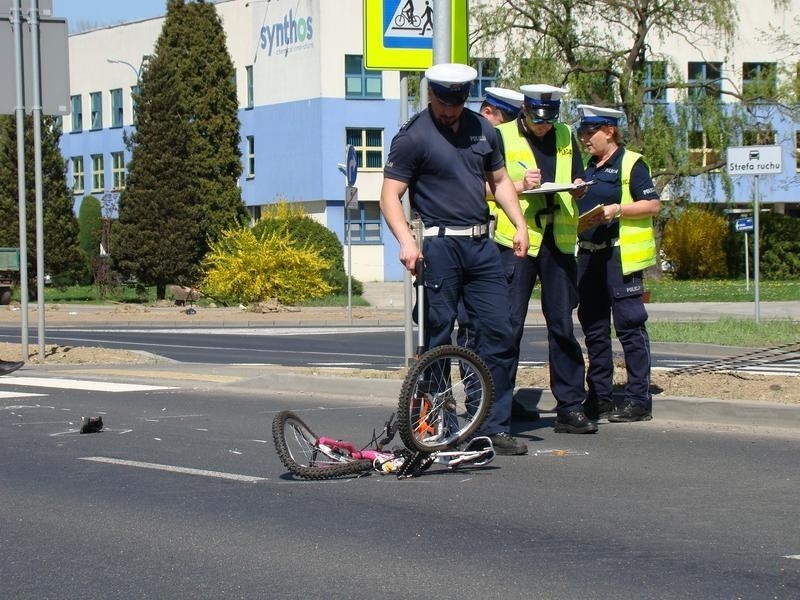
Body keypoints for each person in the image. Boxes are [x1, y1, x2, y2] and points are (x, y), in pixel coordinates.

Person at [380, 63, 531, 455]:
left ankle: (492, 425)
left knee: (499, 331)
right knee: (438, 335)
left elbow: (499, 183)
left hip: (482, 246)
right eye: (444, 102)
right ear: (431, 94)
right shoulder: (413, 137)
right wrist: (405, 242)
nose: (450, 111)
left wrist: (519, 224)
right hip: (439, 247)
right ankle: (433, 421)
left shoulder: (484, 131)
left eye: (458, 102)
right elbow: (389, 196)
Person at [491, 84, 597, 434]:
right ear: (525, 109)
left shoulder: (564, 133)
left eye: (549, 120)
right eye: (538, 120)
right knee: (509, 328)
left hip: (559, 241)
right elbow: (485, 188)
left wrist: (579, 186)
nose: (544, 127)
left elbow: (578, 175)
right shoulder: (502, 136)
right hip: (518, 241)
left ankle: (570, 407)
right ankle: (499, 412)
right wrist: (520, 185)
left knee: (563, 328)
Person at [574, 104, 661, 423]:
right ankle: (600, 396)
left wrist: (618, 210)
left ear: (609, 131)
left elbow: (652, 204)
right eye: (583, 133)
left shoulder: (632, 163)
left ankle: (639, 399)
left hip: (618, 256)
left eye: (590, 132)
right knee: (594, 328)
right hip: (589, 255)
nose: (585, 138)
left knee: (629, 326)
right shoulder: (590, 166)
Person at [455, 86, 523, 404]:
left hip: (492, 244)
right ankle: (473, 400)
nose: (510, 129)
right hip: (461, 244)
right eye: (506, 120)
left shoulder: (493, 141)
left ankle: (492, 408)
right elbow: (469, 186)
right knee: (470, 329)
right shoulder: (469, 139)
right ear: (488, 113)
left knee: (498, 329)